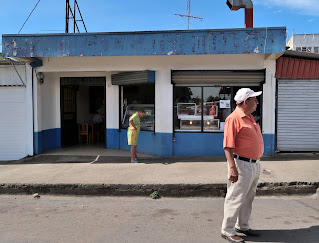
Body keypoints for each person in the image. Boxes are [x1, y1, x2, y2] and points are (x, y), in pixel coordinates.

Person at [221, 88, 263, 243]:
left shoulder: (249, 117)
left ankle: (243, 226)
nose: (257, 103)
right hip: (241, 164)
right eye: (254, 100)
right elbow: (228, 146)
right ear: (246, 102)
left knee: (248, 198)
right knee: (235, 197)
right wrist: (232, 167)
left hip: (253, 164)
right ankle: (227, 230)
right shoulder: (234, 118)